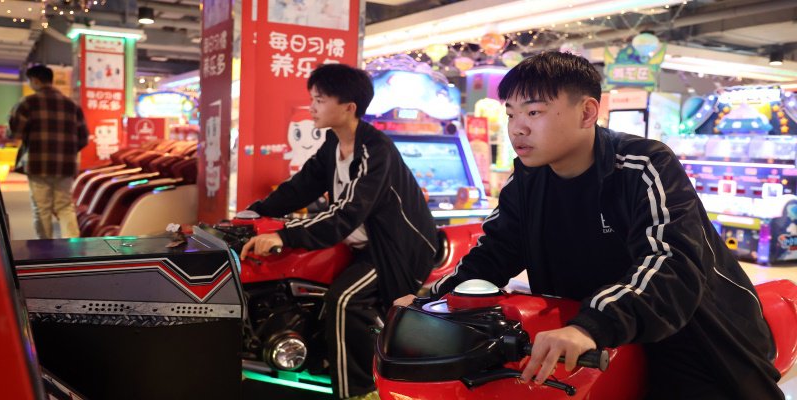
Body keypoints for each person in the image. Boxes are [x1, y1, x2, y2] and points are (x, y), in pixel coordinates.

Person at [395, 51, 783, 399]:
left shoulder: (643, 165)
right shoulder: (526, 180)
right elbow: (493, 254)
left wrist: (591, 326)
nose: (517, 128)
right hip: (594, 332)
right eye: (511, 114)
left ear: (586, 112)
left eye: (534, 112)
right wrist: (431, 300)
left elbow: (669, 262)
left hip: (693, 333)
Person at [240, 63, 438, 400]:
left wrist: (284, 235)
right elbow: (303, 185)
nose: (312, 107)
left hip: (396, 249)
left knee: (345, 298)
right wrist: (255, 212)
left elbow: (347, 212)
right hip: (364, 243)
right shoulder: (334, 141)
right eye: (312, 99)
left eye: (319, 100)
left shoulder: (375, 150)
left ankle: (361, 391)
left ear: (348, 107)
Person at [8, 64, 88, 239]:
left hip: (37, 165)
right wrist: (67, 153)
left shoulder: (27, 103)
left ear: (35, 80)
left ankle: (45, 248)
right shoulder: (72, 105)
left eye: (30, 81)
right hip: (65, 166)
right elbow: (83, 138)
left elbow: (15, 132)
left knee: (41, 208)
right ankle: (73, 245)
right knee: (65, 206)